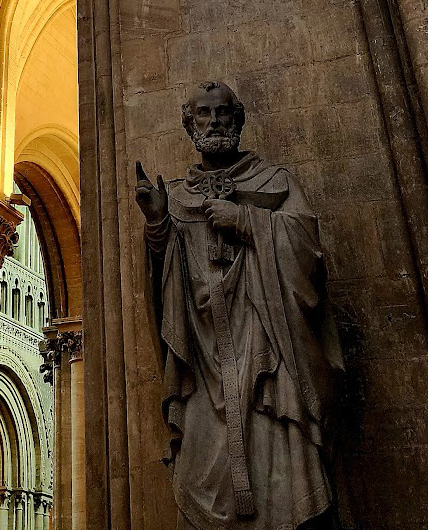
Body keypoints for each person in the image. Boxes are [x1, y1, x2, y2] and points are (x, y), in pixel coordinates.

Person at [136, 81, 342, 530]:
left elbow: (308, 257)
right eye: (204, 115)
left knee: (285, 484)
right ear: (189, 124)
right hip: (205, 368)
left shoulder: (276, 183)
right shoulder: (177, 197)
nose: (214, 123)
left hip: (269, 361)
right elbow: (163, 287)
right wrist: (157, 223)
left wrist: (246, 220)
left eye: (223, 114)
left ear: (238, 119)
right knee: (199, 477)